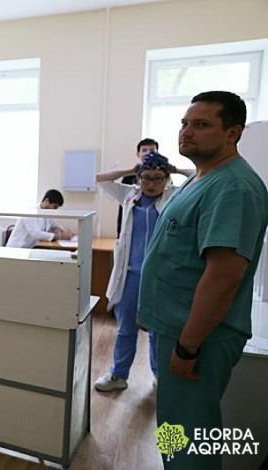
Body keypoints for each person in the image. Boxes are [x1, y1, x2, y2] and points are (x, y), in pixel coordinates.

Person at [138, 91, 268, 469]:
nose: (187, 131)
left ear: (233, 133)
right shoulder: (201, 179)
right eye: (184, 123)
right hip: (177, 329)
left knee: (191, 435)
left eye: (201, 124)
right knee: (174, 424)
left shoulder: (234, 188)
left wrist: (188, 347)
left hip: (199, 337)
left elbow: (223, 276)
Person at [93, 152, 193, 392]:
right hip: (130, 274)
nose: (151, 184)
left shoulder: (174, 195)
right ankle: (118, 374)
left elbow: (199, 176)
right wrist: (130, 169)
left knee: (158, 330)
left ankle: (160, 375)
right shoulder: (130, 195)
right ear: (139, 179)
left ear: (166, 179)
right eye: (146, 177)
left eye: (158, 178)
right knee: (126, 328)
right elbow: (100, 179)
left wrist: (176, 169)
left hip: (159, 277)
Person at [116, 138, 159, 237]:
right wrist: (120, 232)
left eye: (152, 150)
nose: (148, 153)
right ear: (138, 154)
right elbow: (123, 207)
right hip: (133, 228)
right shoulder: (129, 177)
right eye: (144, 150)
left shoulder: (163, 176)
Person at [5, 189, 73, 248]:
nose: (54, 210)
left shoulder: (46, 212)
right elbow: (36, 234)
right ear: (47, 201)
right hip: (17, 248)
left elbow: (55, 225)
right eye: (54, 207)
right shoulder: (30, 211)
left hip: (29, 247)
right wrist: (59, 236)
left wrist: (58, 230)